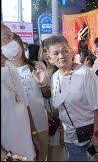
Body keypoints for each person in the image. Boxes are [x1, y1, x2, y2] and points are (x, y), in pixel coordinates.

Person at [44, 35, 98, 161]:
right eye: (56, 53)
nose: (61, 56)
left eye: (64, 51)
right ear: (49, 59)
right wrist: (63, 133)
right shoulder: (55, 77)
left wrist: (97, 135)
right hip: (72, 139)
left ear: (71, 52)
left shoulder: (85, 73)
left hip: (92, 137)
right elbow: (62, 110)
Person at [10, 33, 51, 161]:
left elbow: (47, 95)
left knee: (42, 157)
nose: (14, 51)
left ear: (22, 46)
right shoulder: (5, 72)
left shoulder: (37, 66)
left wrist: (42, 84)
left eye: (17, 46)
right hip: (17, 128)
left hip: (40, 124)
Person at [1, 23, 37, 161]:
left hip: (27, 150)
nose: (14, 41)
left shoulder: (11, 66)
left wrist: (34, 135)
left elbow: (24, 105)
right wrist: (4, 154)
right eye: (8, 37)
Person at [38, 40, 67, 161]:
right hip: (42, 121)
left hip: (59, 123)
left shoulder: (62, 72)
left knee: (57, 155)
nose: (46, 54)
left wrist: (62, 130)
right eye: (44, 50)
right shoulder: (37, 70)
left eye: (49, 51)